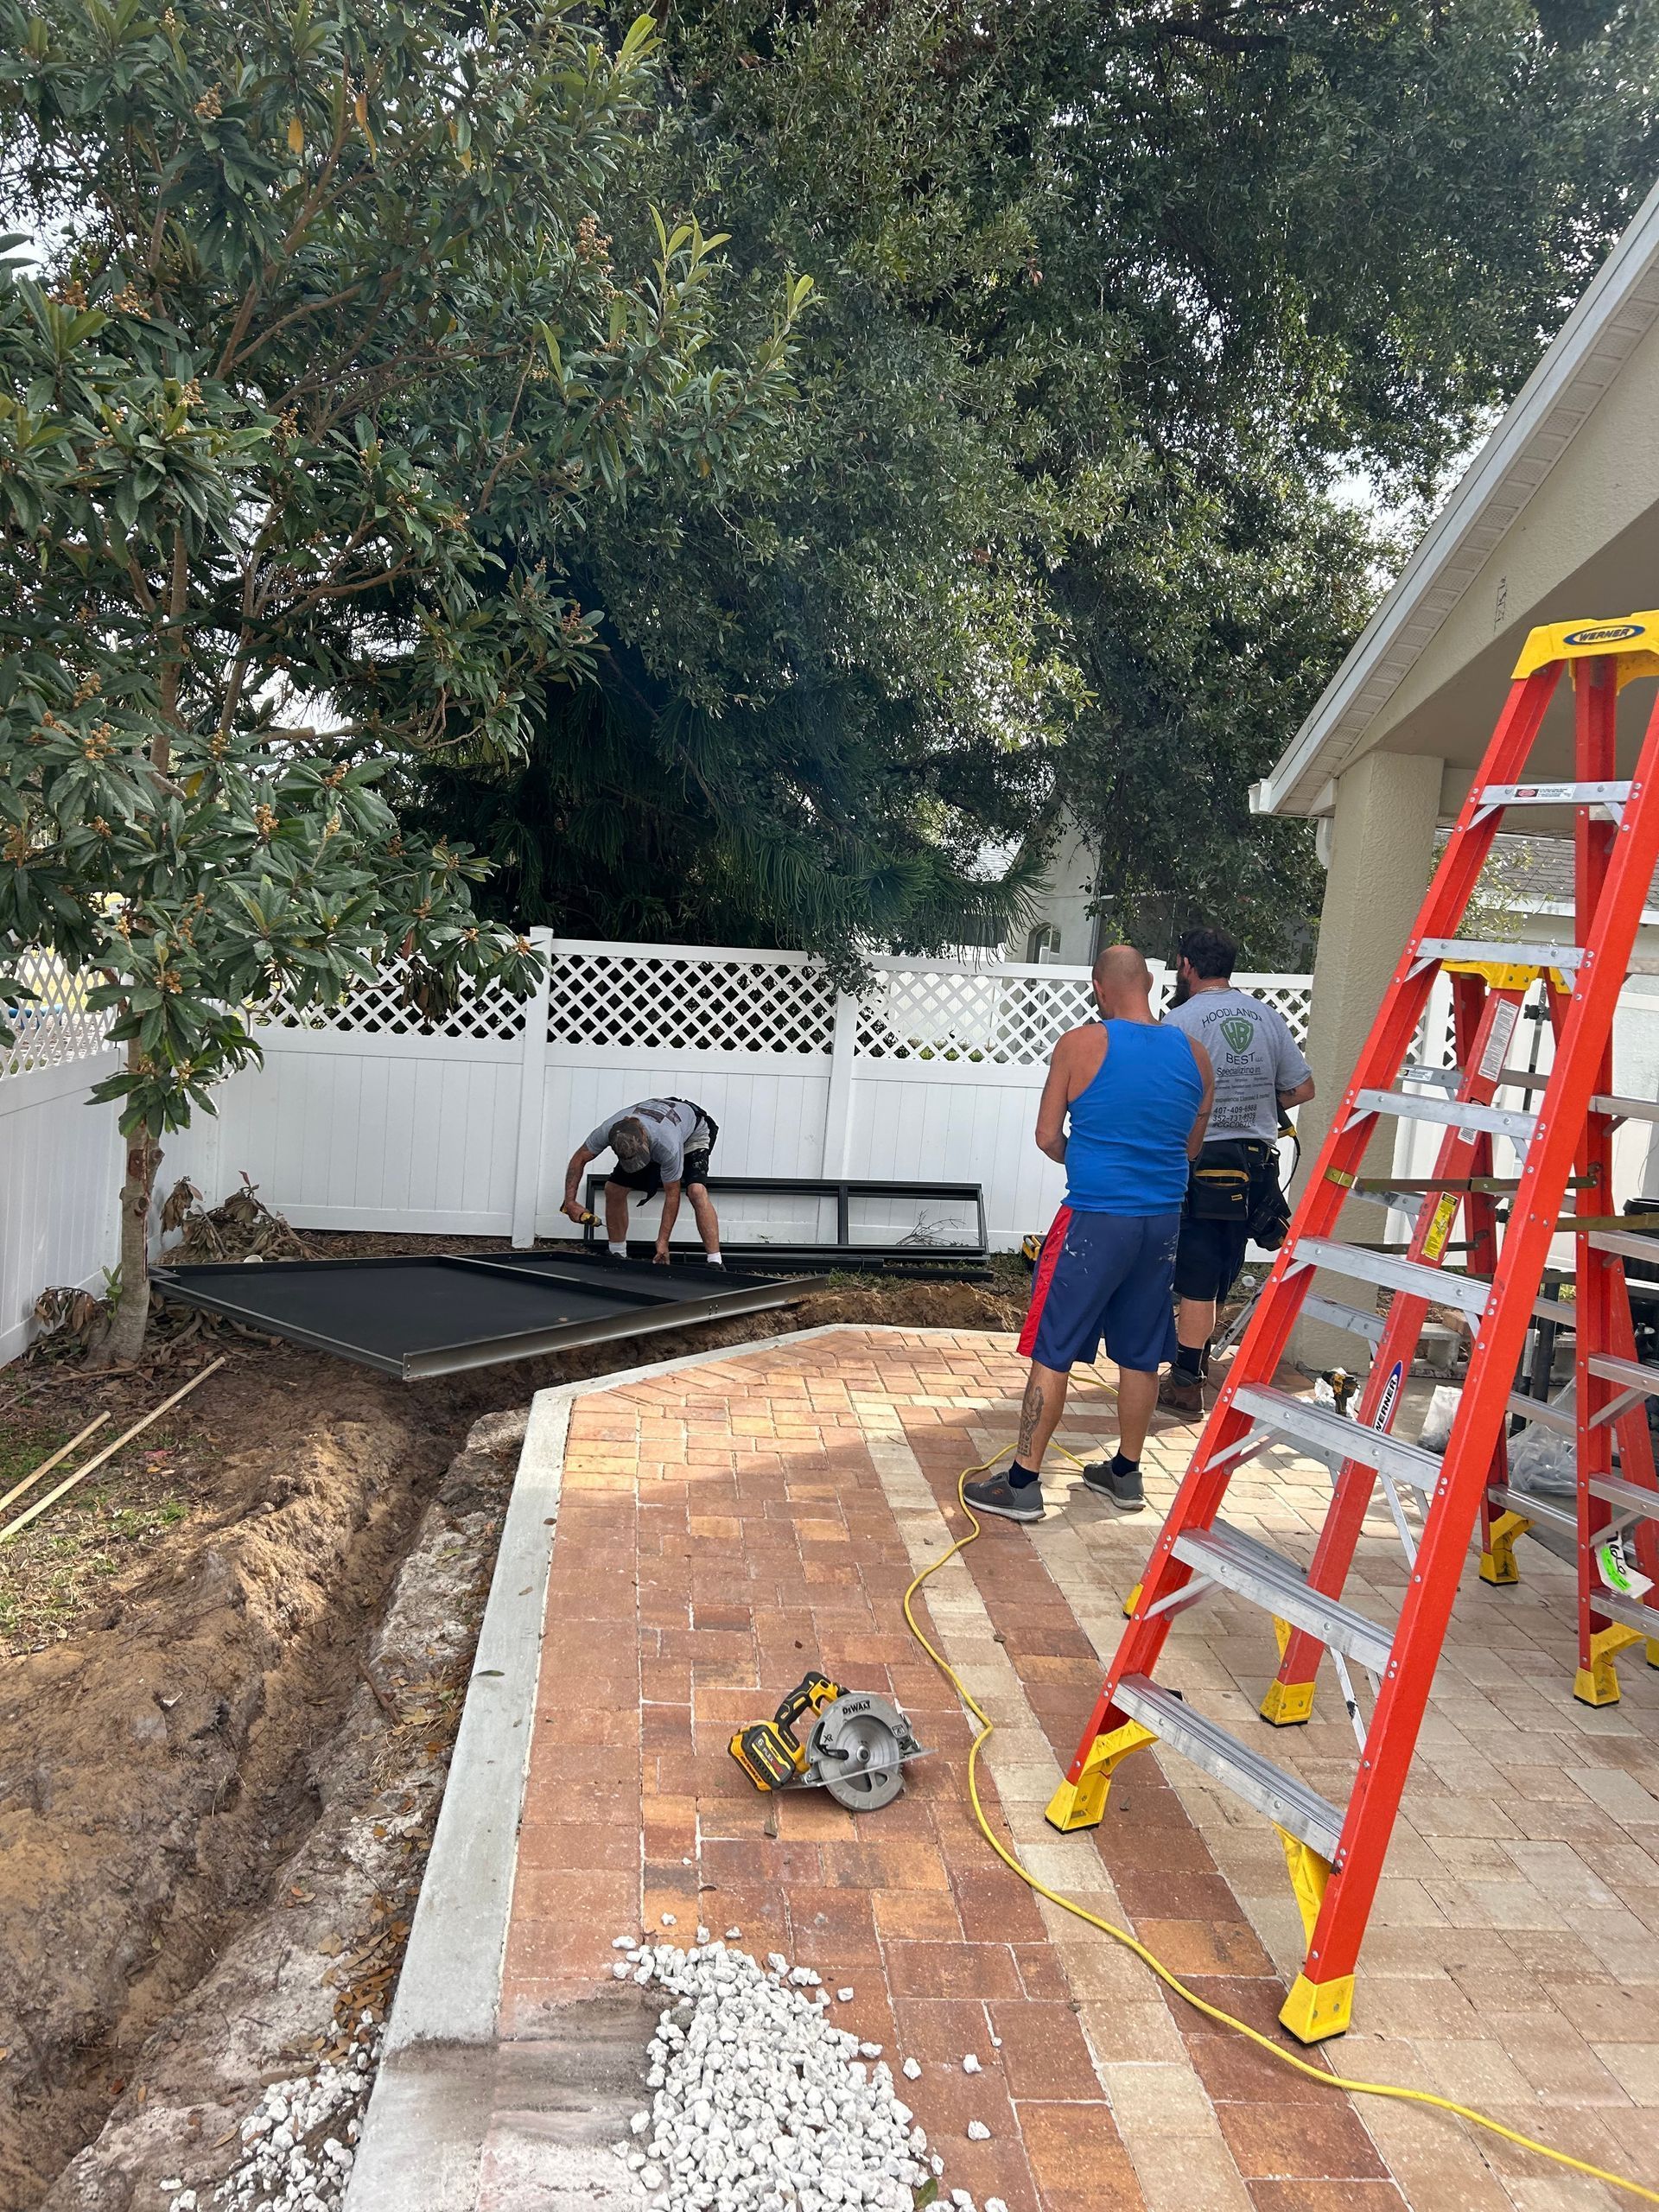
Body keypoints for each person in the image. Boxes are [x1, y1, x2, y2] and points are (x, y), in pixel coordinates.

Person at [964, 944, 1213, 1524]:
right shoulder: (1196, 1056)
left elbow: (1047, 1136)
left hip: (1095, 1219)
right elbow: (1191, 1148)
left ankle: (1023, 1483)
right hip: (1161, 1223)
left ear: (1099, 987)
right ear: (1149, 984)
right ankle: (1125, 1473)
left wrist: (1089, 1158)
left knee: (1053, 1348)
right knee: (1140, 1352)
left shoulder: (1080, 1044)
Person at [1157, 925, 1314, 1414]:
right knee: (1222, 1272)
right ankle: (1195, 1366)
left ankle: (1186, 1385)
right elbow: (1302, 1088)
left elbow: (1165, 1095)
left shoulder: (1179, 1021)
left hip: (1203, 1163)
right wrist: (1259, 1106)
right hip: (1255, 1167)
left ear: (1187, 965)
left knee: (1197, 1279)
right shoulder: (1266, 1017)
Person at [561, 1097, 723, 1266]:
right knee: (614, 1189)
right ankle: (617, 1253)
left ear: (645, 1139)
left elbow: (672, 1195)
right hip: (656, 1128)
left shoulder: (667, 1145)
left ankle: (715, 1261)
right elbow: (579, 1158)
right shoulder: (609, 1130)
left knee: (696, 1191)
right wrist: (570, 1202)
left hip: (693, 1133)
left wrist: (663, 1241)